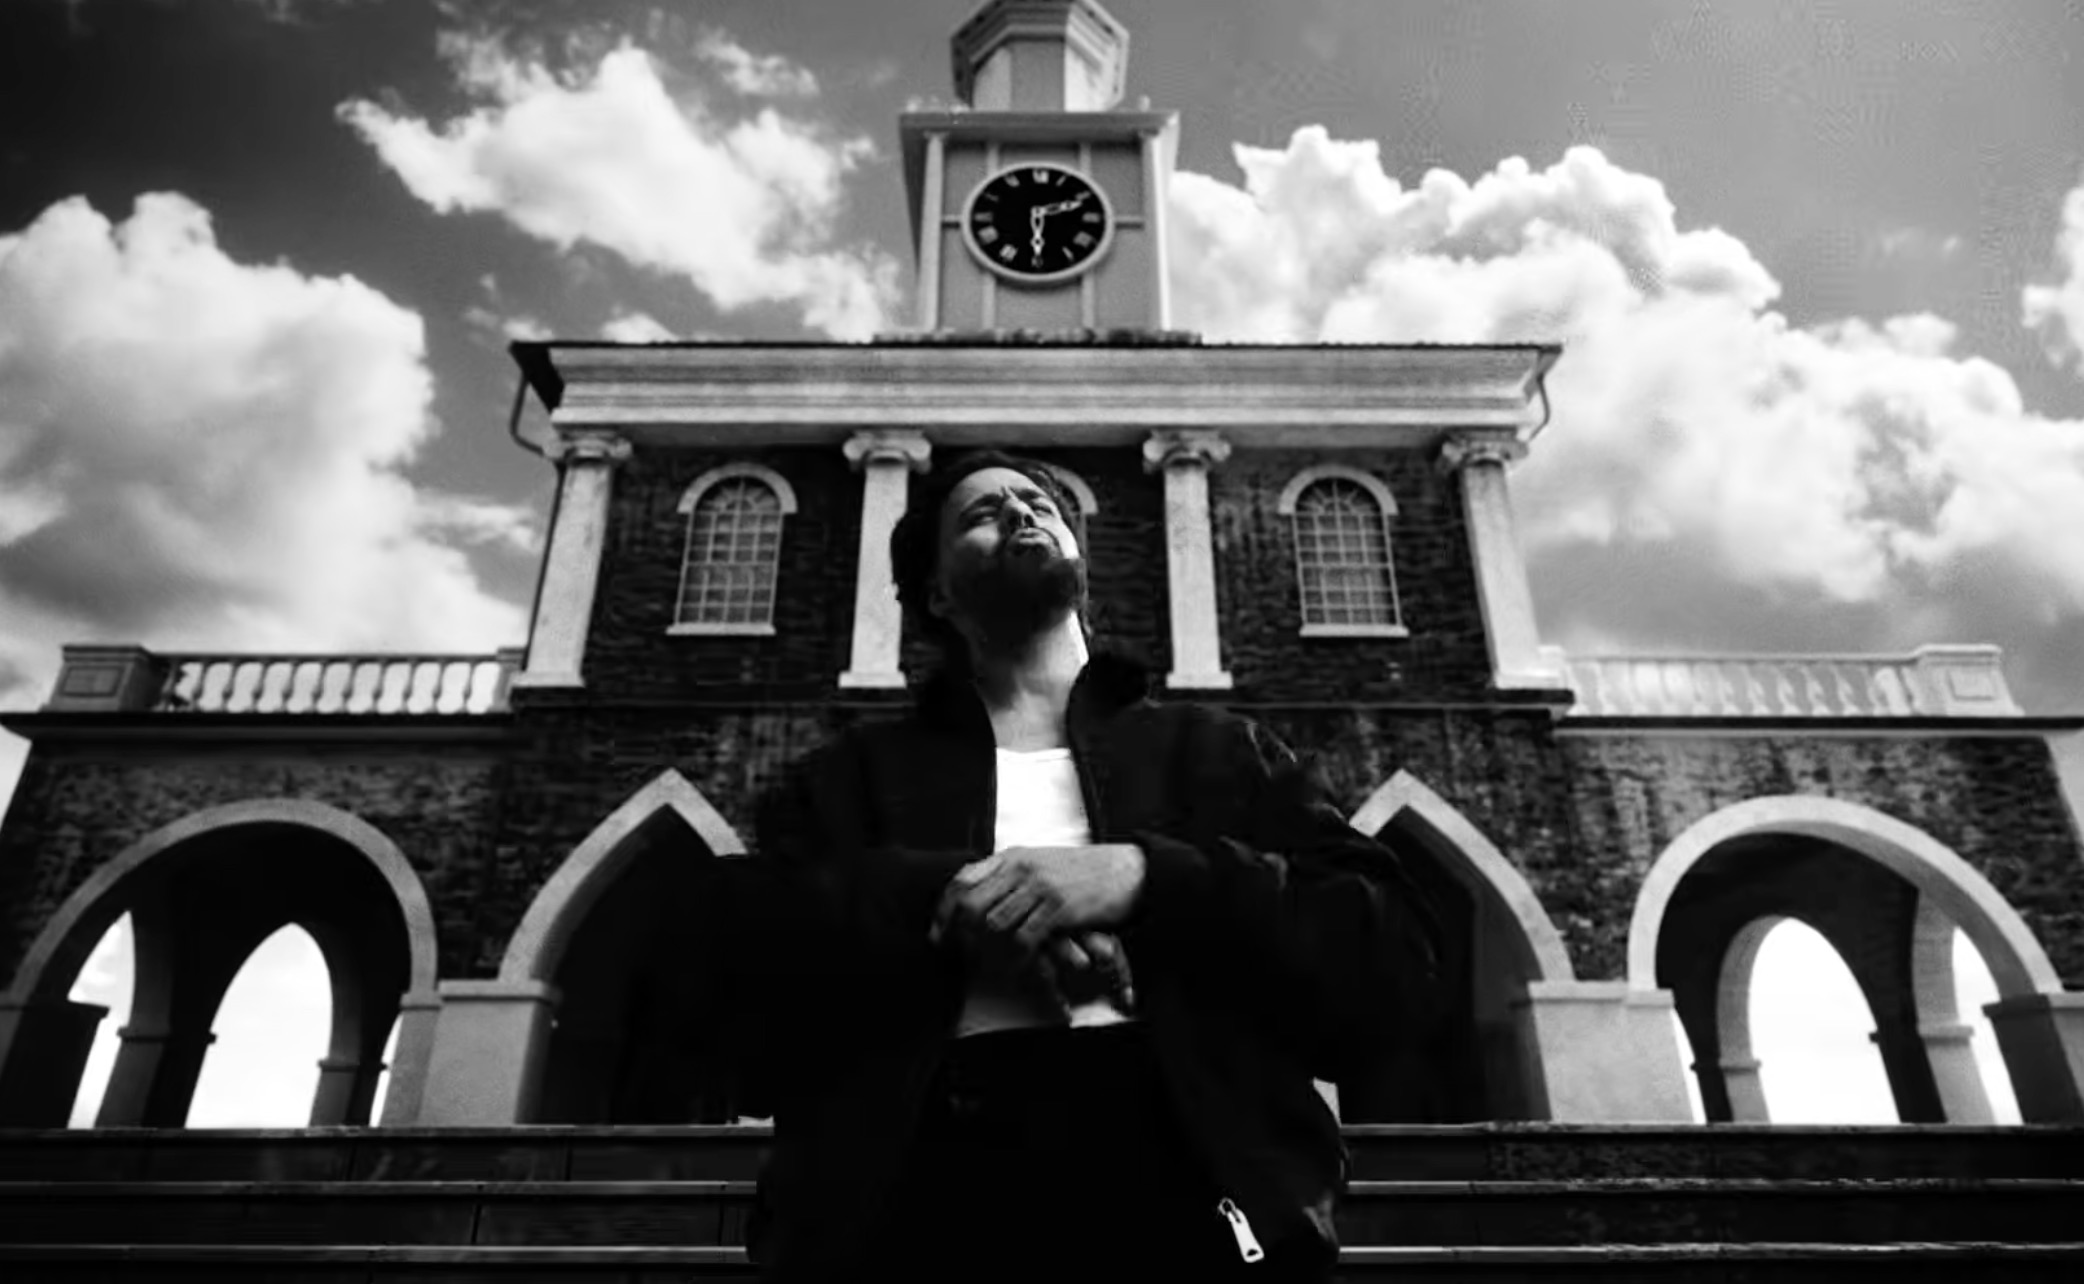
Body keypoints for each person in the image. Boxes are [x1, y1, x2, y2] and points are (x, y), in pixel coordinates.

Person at [720, 449, 1446, 1283]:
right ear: (935, 593)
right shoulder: (847, 778)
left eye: (1039, 503)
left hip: (1187, 1185)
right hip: (924, 1196)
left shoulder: (1219, 753)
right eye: (981, 514)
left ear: (1079, 560)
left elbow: (1396, 960)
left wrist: (1143, 879)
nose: (1019, 512)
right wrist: (954, 897)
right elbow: (729, 989)